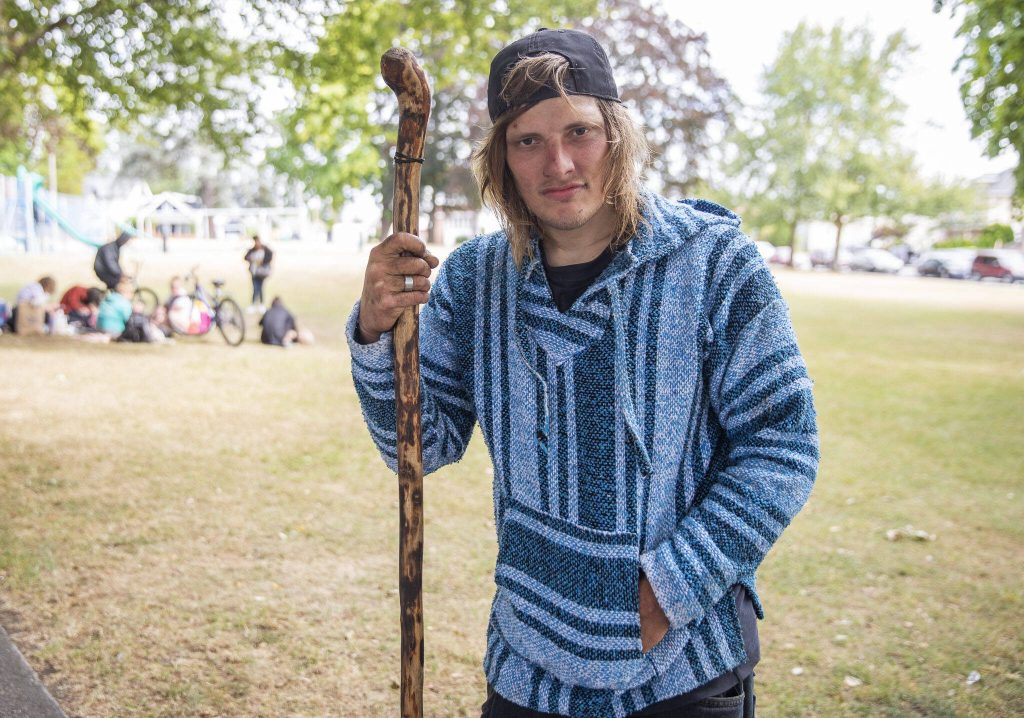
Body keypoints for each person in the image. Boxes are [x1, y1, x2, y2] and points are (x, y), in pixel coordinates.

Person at [348, 29, 818, 718]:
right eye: (527, 140)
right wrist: (374, 328)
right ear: (501, 161)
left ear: (618, 135)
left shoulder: (714, 263)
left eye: (580, 131)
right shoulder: (477, 280)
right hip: (527, 670)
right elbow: (418, 447)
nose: (559, 162)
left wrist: (669, 590)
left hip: (683, 672)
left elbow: (782, 444)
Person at [244, 235, 273, 311]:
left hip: (262, 273)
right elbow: (245, 257)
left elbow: (270, 256)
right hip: (254, 272)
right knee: (255, 288)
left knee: (260, 288)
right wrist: (251, 259)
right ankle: (253, 304)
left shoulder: (265, 249)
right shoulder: (252, 250)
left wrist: (262, 262)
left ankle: (261, 304)